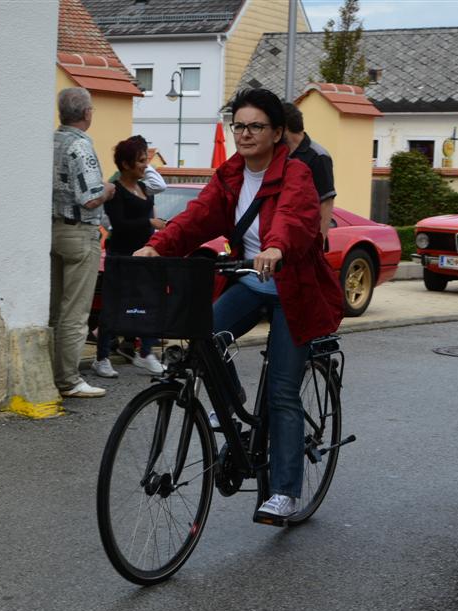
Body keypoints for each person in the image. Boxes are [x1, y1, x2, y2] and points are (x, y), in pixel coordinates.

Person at [133, 88, 343, 520]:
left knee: (284, 389)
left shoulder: (297, 174)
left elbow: (294, 218)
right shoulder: (230, 174)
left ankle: (284, 490)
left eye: (256, 127)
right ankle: (232, 400)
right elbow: (197, 216)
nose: (245, 134)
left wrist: (277, 247)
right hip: (252, 279)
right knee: (202, 331)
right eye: (240, 126)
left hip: (293, 287)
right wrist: (158, 246)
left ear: (277, 132)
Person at [50, 87, 115, 398]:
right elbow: (90, 199)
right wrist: (108, 189)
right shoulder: (81, 146)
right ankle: (69, 379)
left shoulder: (50, 140)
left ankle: (50, 372)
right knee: (75, 312)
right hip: (80, 233)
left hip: (51, 229)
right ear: (87, 113)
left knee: (53, 309)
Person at [92, 136, 167, 379]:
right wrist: (149, 222)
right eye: (141, 161)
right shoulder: (116, 192)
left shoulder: (145, 188)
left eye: (147, 160)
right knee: (113, 306)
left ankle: (145, 353)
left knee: (149, 302)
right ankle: (101, 358)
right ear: (125, 164)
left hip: (145, 254)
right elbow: (120, 225)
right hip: (121, 256)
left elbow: (159, 184)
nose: (146, 165)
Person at [282, 101, 336, 240]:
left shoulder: (318, 156)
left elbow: (326, 201)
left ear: (284, 127)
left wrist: (320, 240)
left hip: (307, 237)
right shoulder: (278, 154)